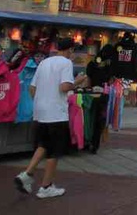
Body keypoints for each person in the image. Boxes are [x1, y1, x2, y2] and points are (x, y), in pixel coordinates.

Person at [15, 38, 87, 199]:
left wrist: (42, 101)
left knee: (43, 144)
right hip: (56, 113)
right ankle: (46, 186)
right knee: (54, 151)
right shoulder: (66, 63)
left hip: (40, 112)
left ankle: (27, 174)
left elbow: (32, 88)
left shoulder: (44, 63)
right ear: (70, 50)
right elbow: (64, 87)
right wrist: (78, 81)